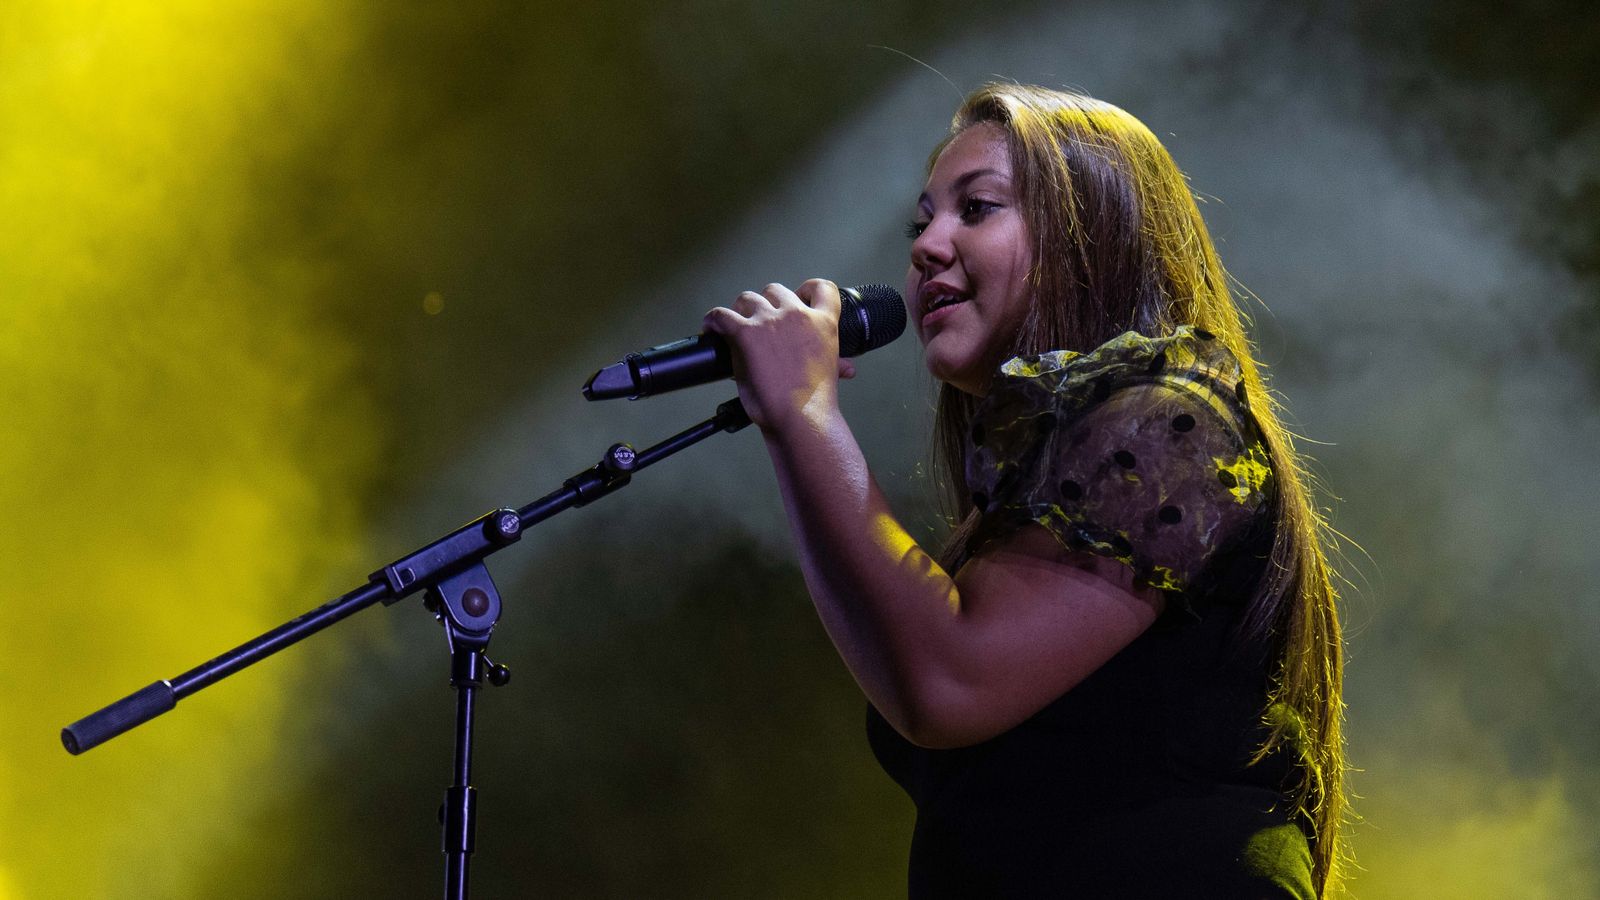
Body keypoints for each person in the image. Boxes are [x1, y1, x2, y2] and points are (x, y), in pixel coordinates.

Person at [701, 83, 1348, 898]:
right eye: (921, 221)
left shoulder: (1170, 425)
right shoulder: (1017, 506)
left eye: (975, 209)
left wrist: (803, 415)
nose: (928, 246)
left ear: (1092, 235)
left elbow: (946, 683)